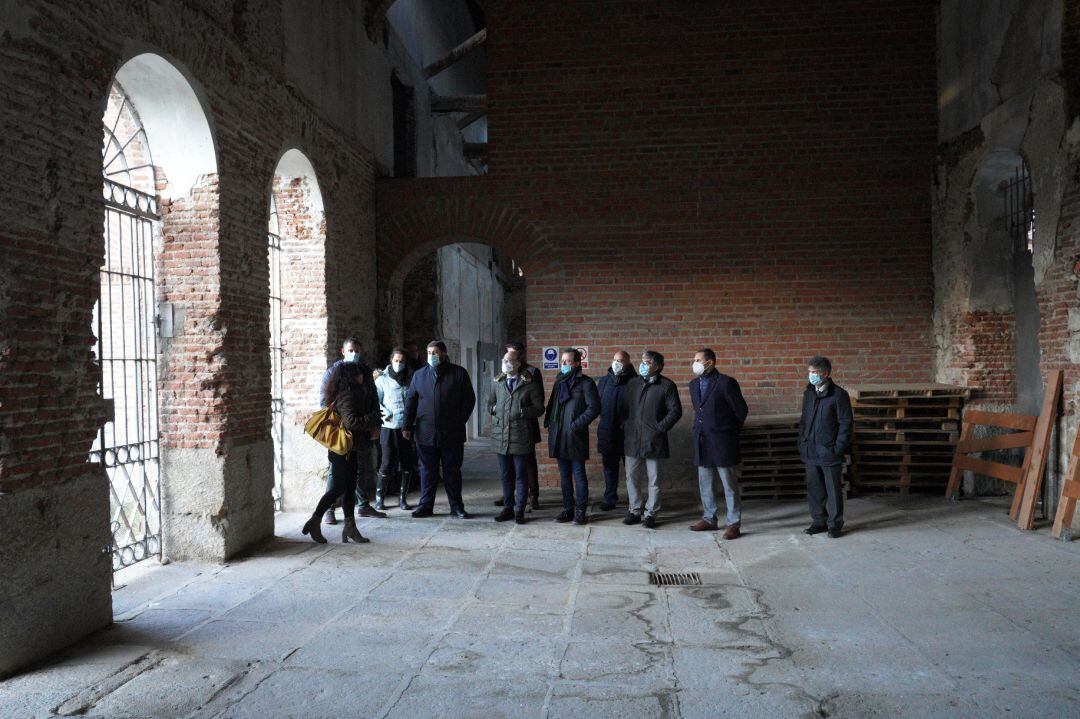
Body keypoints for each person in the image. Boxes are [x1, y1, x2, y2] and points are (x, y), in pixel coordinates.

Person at [302, 362, 382, 544]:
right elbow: (351, 422)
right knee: (338, 488)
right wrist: (373, 419)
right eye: (360, 374)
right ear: (352, 377)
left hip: (350, 448)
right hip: (342, 450)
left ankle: (350, 527)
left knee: (349, 487)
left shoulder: (352, 393)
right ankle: (315, 520)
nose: (363, 377)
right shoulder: (347, 395)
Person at [403, 341, 476, 518]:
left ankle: (457, 506)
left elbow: (469, 400)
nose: (431, 356)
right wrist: (407, 425)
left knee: (452, 470)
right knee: (427, 471)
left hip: (452, 432)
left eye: (435, 352)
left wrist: (459, 421)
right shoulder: (419, 375)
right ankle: (425, 506)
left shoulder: (458, 373)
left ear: (443, 353)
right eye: (428, 352)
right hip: (425, 433)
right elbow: (411, 401)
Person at [318, 336, 383, 523]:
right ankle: (327, 511)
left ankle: (361, 507)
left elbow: (373, 398)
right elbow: (325, 403)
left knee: (359, 468)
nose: (354, 354)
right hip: (342, 430)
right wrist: (342, 423)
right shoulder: (333, 373)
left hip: (361, 429)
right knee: (336, 474)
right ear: (343, 351)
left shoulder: (364, 371)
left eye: (357, 350)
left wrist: (375, 424)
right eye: (351, 350)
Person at [688, 348, 749, 538]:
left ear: (710, 363)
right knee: (705, 482)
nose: (695, 363)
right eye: (694, 359)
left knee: (728, 483)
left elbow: (741, 411)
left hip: (723, 440)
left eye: (699, 359)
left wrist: (729, 432)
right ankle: (709, 518)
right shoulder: (693, 384)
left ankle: (733, 523)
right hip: (702, 440)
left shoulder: (725, 383)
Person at [621, 350, 682, 529]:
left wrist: (660, 428)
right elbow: (624, 408)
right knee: (631, 477)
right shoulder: (633, 383)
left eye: (647, 362)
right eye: (642, 361)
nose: (643, 365)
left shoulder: (667, 385)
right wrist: (626, 425)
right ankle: (634, 510)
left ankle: (651, 514)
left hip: (653, 439)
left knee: (654, 479)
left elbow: (675, 411)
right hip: (633, 439)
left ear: (658, 366)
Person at [798, 356, 852, 539]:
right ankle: (818, 521)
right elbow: (804, 420)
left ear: (826, 374)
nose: (811, 375)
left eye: (815, 372)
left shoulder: (838, 395)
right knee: (815, 489)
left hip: (829, 451)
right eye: (810, 371)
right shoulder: (809, 393)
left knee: (833, 489)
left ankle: (835, 524)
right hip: (810, 450)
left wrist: (838, 448)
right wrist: (802, 441)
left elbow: (846, 424)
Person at [488, 351, 545, 524]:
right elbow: (490, 404)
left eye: (509, 360)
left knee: (521, 474)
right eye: (504, 360)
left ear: (518, 363)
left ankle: (519, 509)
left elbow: (539, 407)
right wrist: (493, 409)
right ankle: (508, 508)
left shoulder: (530, 383)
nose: (506, 363)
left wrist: (524, 411)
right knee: (506, 475)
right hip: (501, 435)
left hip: (521, 435)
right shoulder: (498, 382)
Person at [544, 348, 600, 525]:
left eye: (567, 361)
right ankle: (567, 509)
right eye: (562, 361)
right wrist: (550, 424)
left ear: (577, 363)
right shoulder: (559, 381)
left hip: (575, 435)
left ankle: (580, 511)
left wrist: (577, 424)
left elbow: (594, 408)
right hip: (559, 434)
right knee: (564, 475)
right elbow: (553, 405)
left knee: (578, 474)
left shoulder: (586, 383)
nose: (564, 364)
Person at [375, 347, 416, 510]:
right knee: (386, 462)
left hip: (406, 426)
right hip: (389, 426)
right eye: (396, 361)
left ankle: (403, 499)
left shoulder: (411, 378)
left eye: (402, 361)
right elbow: (376, 401)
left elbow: (413, 401)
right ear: (391, 361)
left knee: (406, 463)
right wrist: (386, 414)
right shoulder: (381, 379)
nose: (399, 364)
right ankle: (380, 498)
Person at [596, 350, 633, 511]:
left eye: (621, 360)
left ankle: (634, 500)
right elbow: (597, 404)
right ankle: (610, 498)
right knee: (609, 467)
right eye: (615, 359)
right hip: (607, 431)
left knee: (631, 470)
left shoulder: (636, 382)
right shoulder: (604, 381)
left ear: (628, 363)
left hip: (629, 434)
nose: (617, 363)